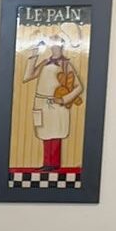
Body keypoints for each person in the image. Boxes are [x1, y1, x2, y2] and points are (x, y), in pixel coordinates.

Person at [23, 32, 84, 172]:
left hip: (56, 104)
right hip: (41, 103)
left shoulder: (66, 64)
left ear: (62, 46)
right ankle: (46, 162)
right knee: (44, 132)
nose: (54, 46)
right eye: (52, 43)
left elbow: (79, 87)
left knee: (56, 132)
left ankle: (54, 163)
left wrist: (64, 99)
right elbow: (27, 76)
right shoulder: (45, 62)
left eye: (57, 43)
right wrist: (34, 54)